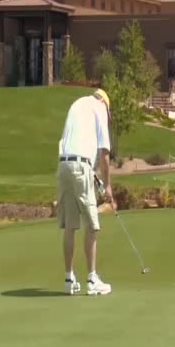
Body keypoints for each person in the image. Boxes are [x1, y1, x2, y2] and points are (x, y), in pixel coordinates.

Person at [57, 89, 114, 296]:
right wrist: (107, 187)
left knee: (70, 226)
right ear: (106, 105)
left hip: (64, 165)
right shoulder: (100, 109)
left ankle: (68, 278)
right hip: (81, 166)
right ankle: (92, 279)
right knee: (91, 224)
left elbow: (69, 142)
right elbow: (105, 155)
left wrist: (91, 173)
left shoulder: (77, 103)